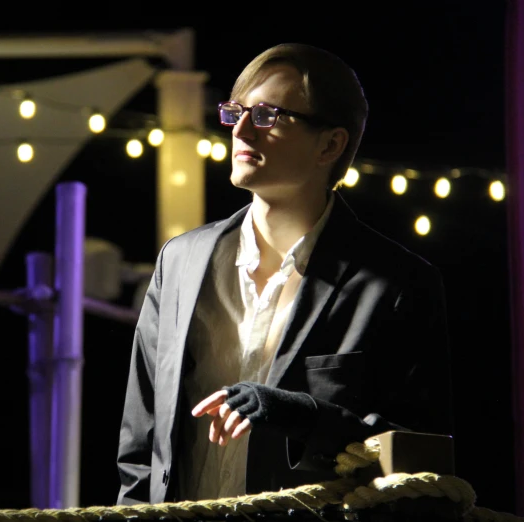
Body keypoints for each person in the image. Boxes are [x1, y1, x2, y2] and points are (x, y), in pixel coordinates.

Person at [115, 43, 453, 505]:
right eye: (236, 112)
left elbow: (418, 459)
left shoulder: (396, 284)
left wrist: (306, 416)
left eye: (268, 115)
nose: (241, 130)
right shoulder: (180, 262)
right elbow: (141, 447)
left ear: (330, 144)